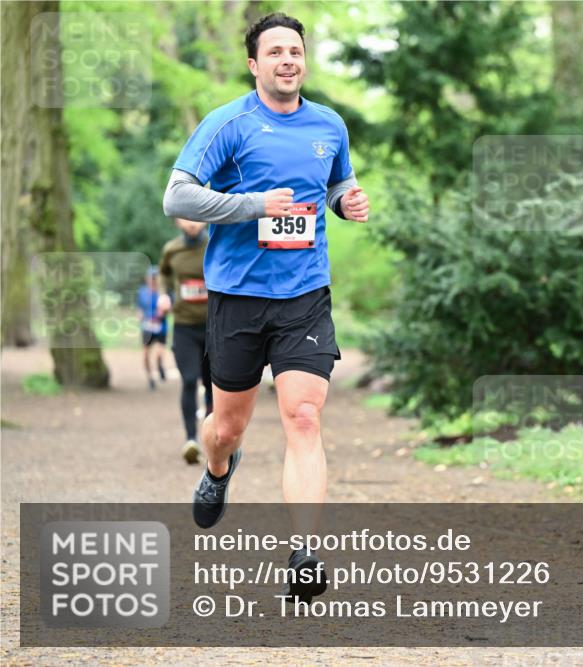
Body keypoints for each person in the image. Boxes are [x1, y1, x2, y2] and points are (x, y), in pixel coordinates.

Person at [162, 12, 369, 604]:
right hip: (237, 298)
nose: (288, 60)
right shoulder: (229, 123)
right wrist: (253, 205)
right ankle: (218, 470)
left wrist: (345, 203)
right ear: (254, 64)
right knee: (227, 428)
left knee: (304, 416)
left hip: (304, 294)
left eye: (296, 51)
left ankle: (305, 551)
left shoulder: (328, 124)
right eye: (275, 51)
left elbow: (333, 186)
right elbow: (177, 194)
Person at [157, 218, 214, 465]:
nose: (192, 223)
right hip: (184, 327)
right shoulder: (172, 250)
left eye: (197, 217)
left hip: (215, 326)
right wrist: (164, 295)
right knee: (189, 380)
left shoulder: (215, 244)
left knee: (214, 384)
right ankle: (191, 440)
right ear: (177, 220)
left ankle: (215, 438)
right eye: (186, 218)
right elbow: (164, 275)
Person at [136, 268, 167, 391]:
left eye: (155, 278)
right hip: (147, 327)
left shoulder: (162, 293)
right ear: (147, 278)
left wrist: (163, 312)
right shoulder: (142, 292)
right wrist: (139, 315)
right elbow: (138, 308)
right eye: (151, 278)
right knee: (145, 355)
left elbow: (169, 307)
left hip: (161, 327)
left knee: (159, 354)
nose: (153, 280)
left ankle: (160, 366)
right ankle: (150, 379)